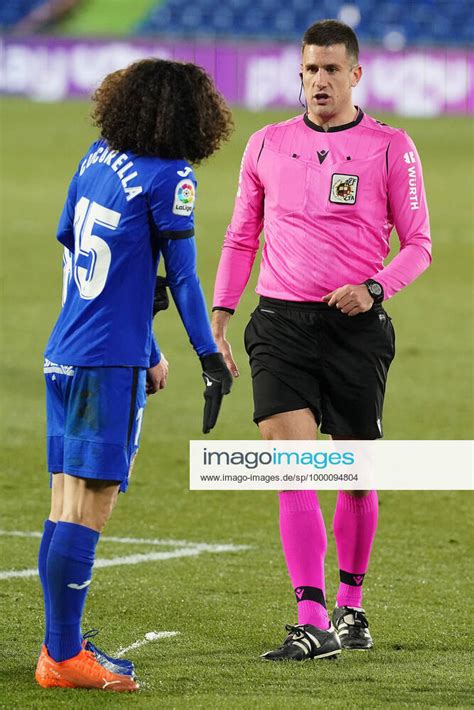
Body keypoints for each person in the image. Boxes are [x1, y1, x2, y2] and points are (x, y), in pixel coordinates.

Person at [212, 19, 431, 661]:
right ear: (299, 73)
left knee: (356, 479)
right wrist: (221, 311)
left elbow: (417, 244)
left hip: (355, 329)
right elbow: (239, 234)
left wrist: (376, 288)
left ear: (355, 74)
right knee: (295, 470)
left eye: (331, 69)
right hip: (279, 324)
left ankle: (351, 607)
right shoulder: (267, 144)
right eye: (310, 69)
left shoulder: (391, 147)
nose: (319, 81)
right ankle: (310, 620)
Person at [36, 58, 233, 691]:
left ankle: (58, 648)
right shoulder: (170, 176)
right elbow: (180, 281)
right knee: (91, 505)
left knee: (64, 501)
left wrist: (147, 346)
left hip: (65, 350)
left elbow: (77, 245)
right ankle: (65, 658)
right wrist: (209, 356)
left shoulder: (97, 156)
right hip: (105, 363)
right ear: (190, 116)